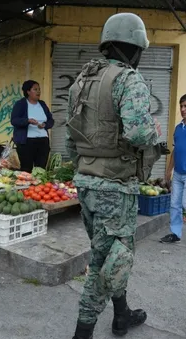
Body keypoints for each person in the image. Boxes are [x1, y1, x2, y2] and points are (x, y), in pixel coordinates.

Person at [66, 13, 163, 339]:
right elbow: (138, 133)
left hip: (86, 183)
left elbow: (70, 142)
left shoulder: (82, 81)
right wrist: (153, 130)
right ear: (134, 48)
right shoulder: (128, 79)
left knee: (109, 254)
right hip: (115, 187)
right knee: (109, 262)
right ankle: (83, 332)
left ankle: (121, 315)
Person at [11, 80, 54, 173]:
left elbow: (51, 120)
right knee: (27, 170)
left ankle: (39, 187)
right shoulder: (21, 104)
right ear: (28, 92)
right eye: (35, 89)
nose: (39, 92)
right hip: (26, 142)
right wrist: (28, 121)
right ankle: (26, 187)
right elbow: (14, 120)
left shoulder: (42, 104)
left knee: (41, 169)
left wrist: (45, 125)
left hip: (43, 141)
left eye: (39, 89)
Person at [160, 94, 186, 244]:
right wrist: (169, 170)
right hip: (177, 173)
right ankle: (175, 233)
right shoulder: (178, 128)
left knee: (184, 203)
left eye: (185, 106)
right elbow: (175, 151)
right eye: (181, 106)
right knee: (175, 204)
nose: (183, 109)